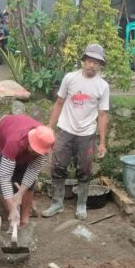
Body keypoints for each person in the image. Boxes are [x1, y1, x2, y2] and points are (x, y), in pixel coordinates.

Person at [42, 43, 110, 220]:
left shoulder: (102, 86)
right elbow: (59, 102)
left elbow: (102, 115)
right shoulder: (70, 78)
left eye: (96, 62)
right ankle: (57, 203)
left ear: (100, 64)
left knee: (85, 169)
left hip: (87, 133)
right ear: (84, 61)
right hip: (65, 129)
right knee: (58, 166)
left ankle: (81, 205)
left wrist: (102, 142)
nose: (92, 65)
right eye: (89, 60)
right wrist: (50, 126)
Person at [0, 115, 55, 227]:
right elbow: (5, 177)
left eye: (39, 152)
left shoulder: (46, 143)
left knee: (28, 184)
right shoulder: (14, 142)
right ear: (30, 140)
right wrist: (13, 207)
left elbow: (33, 171)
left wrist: (19, 194)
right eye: (34, 150)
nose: (36, 154)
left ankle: (24, 218)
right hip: (1, 144)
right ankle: (12, 216)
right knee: (2, 179)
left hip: (20, 144)